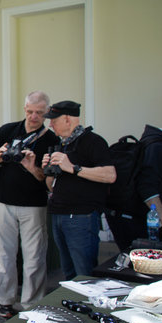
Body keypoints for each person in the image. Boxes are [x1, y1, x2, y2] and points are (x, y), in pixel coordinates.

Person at [0, 91, 59, 318]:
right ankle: (5, 300)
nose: (33, 116)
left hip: (34, 205)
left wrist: (31, 167)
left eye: (39, 113)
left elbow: (48, 180)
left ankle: (32, 304)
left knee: (34, 257)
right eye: (30, 111)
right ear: (24, 108)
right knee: (3, 254)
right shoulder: (9, 130)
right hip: (3, 202)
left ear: (46, 113)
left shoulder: (51, 140)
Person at [42, 100, 117, 280]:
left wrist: (73, 168)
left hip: (80, 216)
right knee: (68, 272)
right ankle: (72, 306)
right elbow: (50, 186)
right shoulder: (62, 144)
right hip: (58, 213)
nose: (50, 124)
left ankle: (86, 306)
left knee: (84, 272)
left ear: (68, 119)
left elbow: (110, 175)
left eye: (54, 120)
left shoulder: (93, 141)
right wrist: (49, 171)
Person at [105, 124, 162, 250]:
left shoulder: (152, 143)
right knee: (141, 263)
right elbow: (147, 186)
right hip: (133, 218)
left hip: (126, 215)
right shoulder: (158, 146)